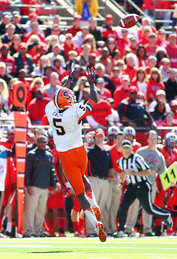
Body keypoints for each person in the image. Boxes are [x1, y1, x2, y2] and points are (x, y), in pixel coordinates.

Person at [45, 65, 107, 242]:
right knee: (84, 178)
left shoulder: (50, 109)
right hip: (80, 152)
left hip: (66, 156)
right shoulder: (74, 111)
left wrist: (70, 79)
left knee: (80, 194)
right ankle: (95, 205)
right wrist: (92, 83)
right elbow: (93, 100)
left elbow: (60, 96)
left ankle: (96, 224)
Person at [114, 140, 172, 238]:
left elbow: (147, 171)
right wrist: (121, 182)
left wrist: (134, 173)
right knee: (123, 206)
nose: (126, 150)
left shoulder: (137, 159)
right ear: (121, 150)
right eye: (124, 148)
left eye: (128, 148)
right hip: (131, 186)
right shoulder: (121, 161)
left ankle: (166, 215)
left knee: (149, 210)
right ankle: (121, 231)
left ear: (131, 149)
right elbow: (123, 172)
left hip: (142, 185)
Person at [24, 135, 60, 237]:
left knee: (40, 210)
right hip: (33, 186)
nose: (42, 144)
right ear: (36, 143)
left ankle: (38, 230)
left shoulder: (49, 155)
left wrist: (54, 183)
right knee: (30, 210)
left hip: (44, 187)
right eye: (40, 142)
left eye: (44, 142)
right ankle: (29, 231)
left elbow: (52, 171)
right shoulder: (31, 154)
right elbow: (27, 171)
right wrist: (28, 185)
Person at [135, 130, 167, 236]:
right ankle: (128, 228)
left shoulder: (159, 155)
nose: (153, 141)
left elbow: (163, 172)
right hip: (138, 182)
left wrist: (170, 182)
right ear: (147, 139)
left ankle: (147, 229)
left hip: (151, 184)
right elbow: (133, 166)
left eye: (155, 139)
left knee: (148, 207)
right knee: (133, 206)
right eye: (151, 138)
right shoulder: (140, 152)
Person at [86, 129, 114, 236]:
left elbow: (110, 168)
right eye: (98, 136)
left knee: (102, 206)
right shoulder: (91, 150)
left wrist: (116, 175)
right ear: (94, 137)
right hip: (94, 179)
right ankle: (90, 230)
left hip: (105, 180)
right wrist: (87, 142)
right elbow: (83, 153)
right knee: (93, 205)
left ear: (104, 137)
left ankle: (101, 229)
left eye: (101, 136)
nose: (99, 138)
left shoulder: (107, 152)